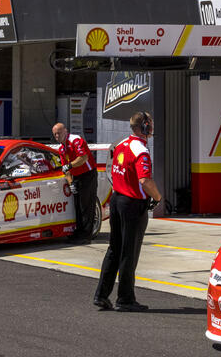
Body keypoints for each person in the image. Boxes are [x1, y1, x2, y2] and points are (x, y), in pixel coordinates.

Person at [94, 112, 163, 312]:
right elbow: (145, 180)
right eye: (150, 125)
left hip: (117, 199)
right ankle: (125, 298)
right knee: (129, 252)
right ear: (145, 127)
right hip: (132, 204)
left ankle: (101, 294)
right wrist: (157, 197)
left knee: (114, 249)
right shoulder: (140, 150)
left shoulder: (122, 144)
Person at [53, 123, 98, 244]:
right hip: (76, 176)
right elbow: (65, 169)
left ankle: (86, 235)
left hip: (88, 174)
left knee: (86, 205)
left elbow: (83, 158)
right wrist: (71, 183)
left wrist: (70, 165)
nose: (57, 136)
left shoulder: (75, 140)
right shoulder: (61, 149)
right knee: (77, 206)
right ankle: (79, 232)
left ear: (65, 131)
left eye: (59, 133)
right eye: (55, 134)